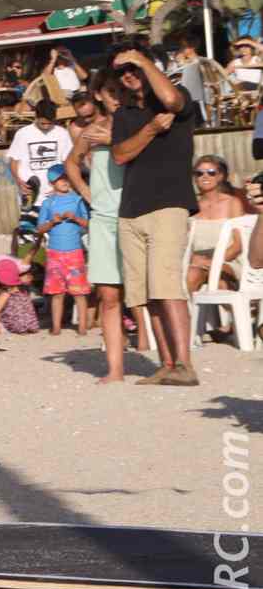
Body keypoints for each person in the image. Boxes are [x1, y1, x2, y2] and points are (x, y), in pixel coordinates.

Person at [110, 44, 199, 387]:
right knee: (145, 294)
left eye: (132, 67)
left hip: (168, 204)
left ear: (149, 65)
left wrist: (141, 60)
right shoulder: (125, 114)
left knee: (167, 287)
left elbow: (173, 102)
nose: (128, 75)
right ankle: (166, 364)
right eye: (121, 71)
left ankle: (185, 364)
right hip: (131, 210)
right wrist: (149, 131)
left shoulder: (178, 99)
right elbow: (119, 155)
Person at [62, 73, 149, 384]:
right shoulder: (91, 131)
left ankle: (162, 357)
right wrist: (86, 192)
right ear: (98, 94)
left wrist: (114, 142)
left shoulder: (139, 125)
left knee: (147, 293)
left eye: (119, 91)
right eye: (110, 91)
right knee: (108, 296)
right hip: (103, 218)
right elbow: (71, 163)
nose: (116, 96)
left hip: (137, 214)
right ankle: (115, 369)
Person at [35, 164, 90, 336]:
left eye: (66, 178)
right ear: (52, 183)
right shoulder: (48, 203)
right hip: (54, 254)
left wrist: (74, 218)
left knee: (79, 292)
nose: (65, 182)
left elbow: (88, 224)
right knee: (56, 293)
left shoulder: (78, 200)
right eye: (60, 180)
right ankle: (56, 326)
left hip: (75, 252)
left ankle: (82, 327)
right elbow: (40, 229)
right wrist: (52, 222)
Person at [186, 156, 250, 297]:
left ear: (220, 176)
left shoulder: (233, 202)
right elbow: (185, 245)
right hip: (198, 262)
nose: (205, 176)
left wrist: (213, 261)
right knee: (191, 274)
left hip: (228, 260)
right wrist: (194, 259)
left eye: (211, 172)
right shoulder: (191, 207)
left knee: (220, 284)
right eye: (199, 173)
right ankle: (189, 317)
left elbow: (238, 245)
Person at [5, 111, 66, 213]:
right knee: (28, 227)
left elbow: (69, 162)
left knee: (54, 226)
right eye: (43, 123)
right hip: (30, 196)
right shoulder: (23, 133)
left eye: (49, 123)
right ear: (36, 117)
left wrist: (63, 184)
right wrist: (18, 181)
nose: (46, 126)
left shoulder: (62, 133)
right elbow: (13, 161)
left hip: (55, 195)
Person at [0, 254, 39, 335]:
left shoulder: (6, 293)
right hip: (31, 325)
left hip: (16, 328)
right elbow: (11, 307)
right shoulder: (24, 289)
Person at [167, 34, 210, 119]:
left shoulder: (200, 61)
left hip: (195, 97)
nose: (180, 49)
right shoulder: (182, 62)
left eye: (183, 47)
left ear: (192, 48)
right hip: (184, 97)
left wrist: (181, 63)